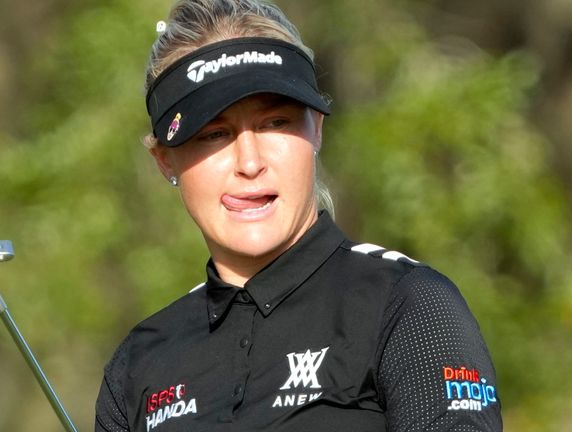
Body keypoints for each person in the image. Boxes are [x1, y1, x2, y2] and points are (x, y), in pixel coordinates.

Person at [95, 0, 503, 431]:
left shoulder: (408, 304)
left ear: (318, 129)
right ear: (165, 161)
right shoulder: (138, 364)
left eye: (275, 123)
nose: (249, 162)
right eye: (214, 134)